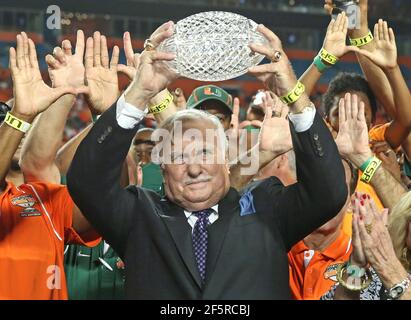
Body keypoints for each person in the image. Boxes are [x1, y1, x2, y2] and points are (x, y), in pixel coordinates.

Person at [67, 21, 347, 299]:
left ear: (226, 158)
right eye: (178, 156)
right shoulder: (138, 215)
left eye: (205, 152)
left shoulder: (266, 207)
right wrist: (138, 94)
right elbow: (86, 183)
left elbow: (329, 193)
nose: (195, 168)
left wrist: (294, 95)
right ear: (162, 167)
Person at [0, 32, 100, 300]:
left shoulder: (48, 201)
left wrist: (107, 117)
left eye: (27, 126)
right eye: (6, 125)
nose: (19, 132)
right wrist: (20, 115)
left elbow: (103, 204)